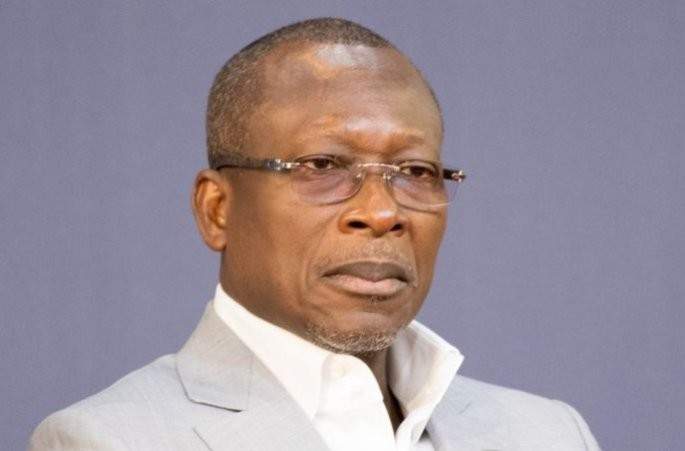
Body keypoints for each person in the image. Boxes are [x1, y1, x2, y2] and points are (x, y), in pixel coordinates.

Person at [29, 17, 600, 451]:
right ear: (217, 210)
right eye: (322, 166)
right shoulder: (107, 440)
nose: (381, 212)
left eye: (414, 171)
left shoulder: (550, 434)